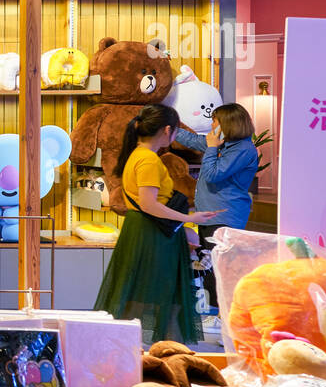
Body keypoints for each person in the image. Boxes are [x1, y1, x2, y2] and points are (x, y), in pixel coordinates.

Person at [94, 104, 222, 344]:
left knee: (139, 291)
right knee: (160, 291)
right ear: (167, 130)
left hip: (144, 230)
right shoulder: (149, 160)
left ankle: (131, 346)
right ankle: (160, 348)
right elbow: (149, 204)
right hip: (152, 234)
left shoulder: (137, 155)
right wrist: (188, 219)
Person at [173, 103, 260, 324]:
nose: (211, 125)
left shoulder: (243, 149)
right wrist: (171, 125)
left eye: (215, 121)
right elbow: (194, 141)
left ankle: (220, 317)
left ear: (227, 123)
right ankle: (214, 314)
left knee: (218, 267)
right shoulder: (225, 143)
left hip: (225, 216)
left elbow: (213, 174)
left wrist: (211, 148)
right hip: (210, 214)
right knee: (208, 263)